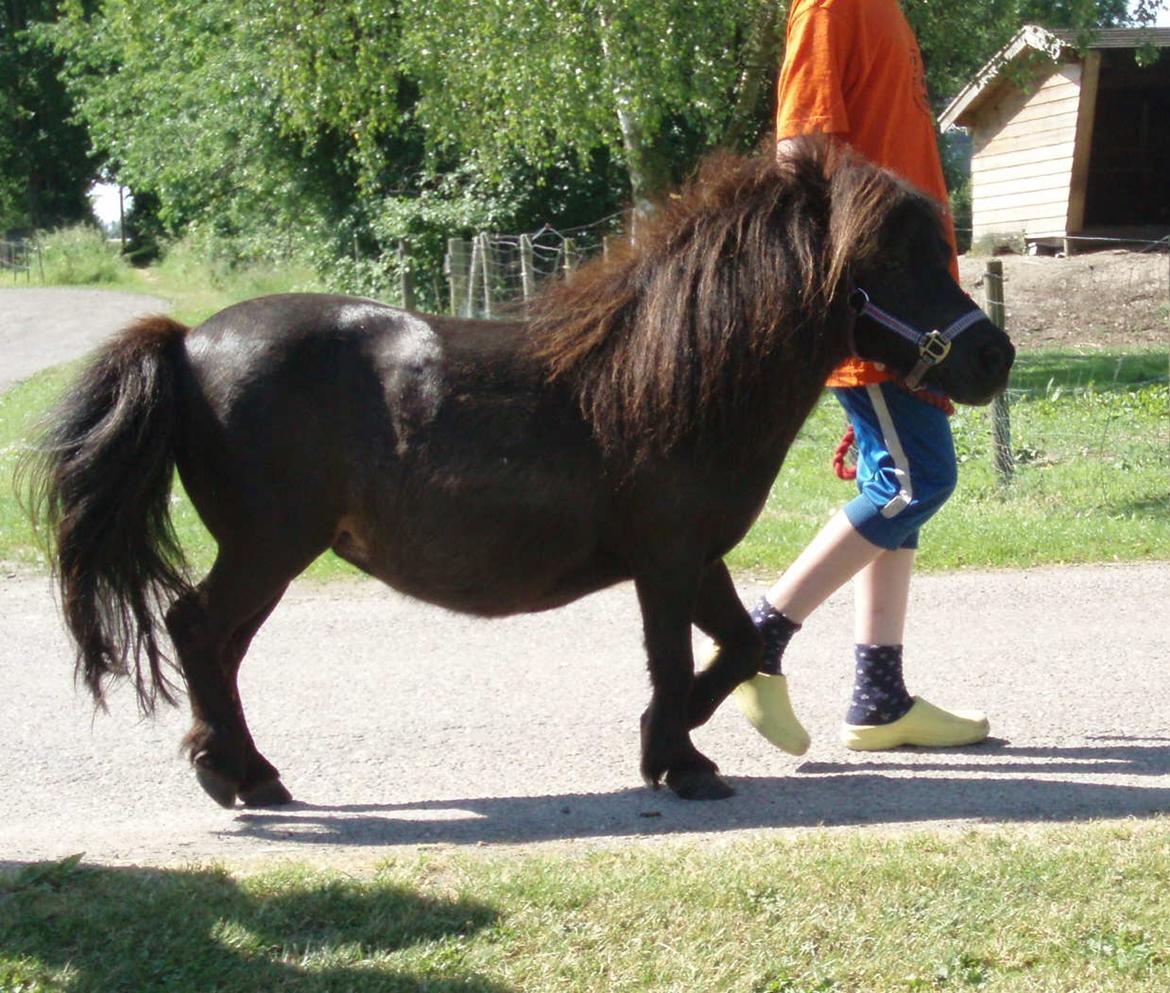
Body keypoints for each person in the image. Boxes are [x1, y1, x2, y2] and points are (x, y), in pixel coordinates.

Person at [731, 0, 990, 753]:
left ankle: (881, 698)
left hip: (919, 304)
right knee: (914, 483)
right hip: (880, 306)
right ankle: (756, 642)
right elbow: (802, 157)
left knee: (901, 486)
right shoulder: (830, 5)